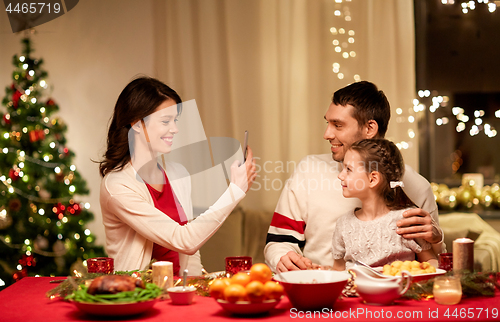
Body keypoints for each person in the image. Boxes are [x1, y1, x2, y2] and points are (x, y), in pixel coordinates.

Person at [264, 81, 444, 272]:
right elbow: (278, 242)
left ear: (369, 129)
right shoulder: (308, 170)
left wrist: (436, 238)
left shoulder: (416, 186)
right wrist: (282, 258)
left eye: (338, 125)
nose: (327, 134)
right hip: (325, 291)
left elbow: (437, 263)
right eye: (328, 123)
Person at [99, 77, 256, 275]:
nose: (175, 129)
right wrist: (235, 191)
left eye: (175, 120)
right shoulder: (117, 186)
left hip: (181, 289)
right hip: (140, 292)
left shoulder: (177, 174)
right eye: (166, 121)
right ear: (137, 124)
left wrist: (197, 283)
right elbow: (185, 240)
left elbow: (191, 252)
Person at [332, 139, 438, 270]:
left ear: (372, 179)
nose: (340, 176)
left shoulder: (406, 220)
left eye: (348, 169)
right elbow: (338, 270)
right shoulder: (343, 224)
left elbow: (430, 261)